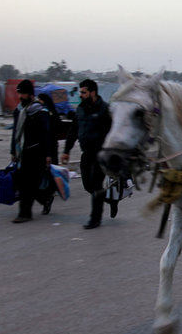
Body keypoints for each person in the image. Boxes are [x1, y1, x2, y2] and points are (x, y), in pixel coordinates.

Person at [61, 79, 113, 229]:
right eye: (80, 92)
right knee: (88, 185)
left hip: (101, 153)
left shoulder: (105, 109)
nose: (80, 95)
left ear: (93, 92)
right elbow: (72, 131)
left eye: (83, 92)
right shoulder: (80, 109)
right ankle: (104, 197)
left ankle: (95, 219)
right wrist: (66, 151)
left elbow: (113, 132)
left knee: (96, 183)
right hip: (86, 153)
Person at [10, 79, 53, 223]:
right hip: (22, 152)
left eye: (22, 93)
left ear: (29, 94)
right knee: (25, 184)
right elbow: (15, 132)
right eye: (19, 93)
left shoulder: (40, 111)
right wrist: (12, 151)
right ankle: (45, 200)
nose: (20, 96)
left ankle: (25, 213)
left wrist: (48, 154)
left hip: (37, 153)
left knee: (29, 185)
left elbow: (46, 133)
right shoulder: (19, 111)